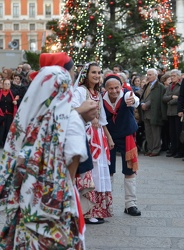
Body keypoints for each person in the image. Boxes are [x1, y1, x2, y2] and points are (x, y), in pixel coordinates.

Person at [0, 65, 89, 249]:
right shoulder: (70, 119)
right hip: (57, 200)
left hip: (28, 195)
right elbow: (73, 163)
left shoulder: (30, 118)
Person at [73, 62, 114, 224]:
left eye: (99, 72)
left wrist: (108, 138)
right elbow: (72, 111)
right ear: (86, 75)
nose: (97, 75)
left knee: (99, 170)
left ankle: (98, 209)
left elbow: (103, 120)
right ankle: (87, 211)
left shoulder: (98, 92)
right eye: (93, 72)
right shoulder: (80, 91)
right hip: (86, 134)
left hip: (98, 136)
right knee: (90, 171)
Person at [102, 74, 141, 216]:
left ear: (121, 86)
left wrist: (134, 100)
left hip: (126, 135)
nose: (114, 91)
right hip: (109, 136)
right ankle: (107, 204)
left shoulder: (127, 95)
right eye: (110, 88)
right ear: (105, 89)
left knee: (129, 170)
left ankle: (131, 204)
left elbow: (135, 100)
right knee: (108, 171)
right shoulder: (101, 98)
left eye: (116, 87)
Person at [139, 68, 167, 157]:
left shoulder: (160, 86)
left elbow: (157, 99)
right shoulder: (147, 85)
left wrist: (147, 104)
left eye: (150, 74)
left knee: (156, 133)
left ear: (155, 75)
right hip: (146, 113)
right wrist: (142, 103)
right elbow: (144, 96)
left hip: (155, 113)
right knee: (148, 132)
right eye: (147, 74)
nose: (148, 76)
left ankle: (156, 149)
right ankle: (150, 149)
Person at [163, 69, 183, 158]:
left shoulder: (181, 86)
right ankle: (173, 149)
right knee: (171, 132)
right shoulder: (170, 86)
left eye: (174, 76)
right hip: (170, 112)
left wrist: (170, 101)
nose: (172, 77)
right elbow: (164, 98)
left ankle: (179, 150)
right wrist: (171, 97)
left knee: (178, 132)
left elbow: (180, 98)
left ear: (179, 77)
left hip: (177, 112)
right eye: (171, 76)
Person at [0, 79, 19, 147]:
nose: (7, 85)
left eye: (8, 84)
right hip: (1, 114)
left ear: (10, 85)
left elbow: (18, 99)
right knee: (1, 129)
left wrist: (16, 102)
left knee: (8, 128)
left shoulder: (13, 93)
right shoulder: (0, 92)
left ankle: (6, 143)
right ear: (3, 85)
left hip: (10, 114)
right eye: (5, 84)